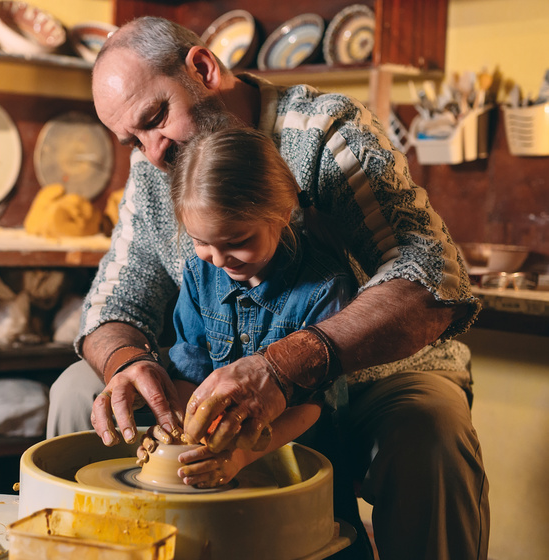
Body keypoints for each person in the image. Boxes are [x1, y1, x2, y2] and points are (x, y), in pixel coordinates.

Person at [47, 16, 489, 560]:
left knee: (431, 428)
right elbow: (114, 303)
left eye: (156, 118)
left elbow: (432, 276)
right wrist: (125, 364)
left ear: (204, 69)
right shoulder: (154, 167)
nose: (151, 151)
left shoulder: (326, 131)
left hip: (376, 375)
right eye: (131, 139)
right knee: (80, 390)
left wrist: (283, 366)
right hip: (224, 374)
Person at [156, 126, 356, 490]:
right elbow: (190, 373)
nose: (217, 259)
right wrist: (187, 435)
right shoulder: (199, 275)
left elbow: (313, 405)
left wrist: (242, 454)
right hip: (224, 451)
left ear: (280, 213)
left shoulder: (324, 287)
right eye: (201, 242)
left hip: (303, 461)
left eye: (237, 241)